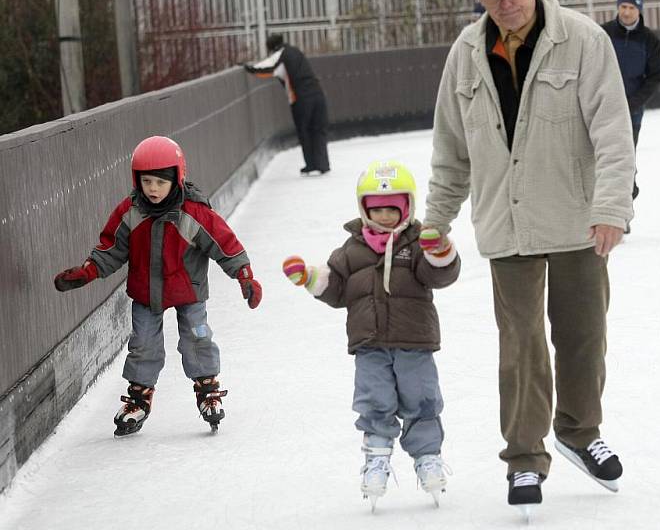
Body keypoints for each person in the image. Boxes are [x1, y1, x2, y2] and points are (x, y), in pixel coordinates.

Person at [423, 0, 635, 512]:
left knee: (583, 336)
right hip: (507, 222)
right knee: (521, 345)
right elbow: (450, 149)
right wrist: (434, 222)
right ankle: (523, 458)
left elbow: (615, 135)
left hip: (575, 217)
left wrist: (612, 209)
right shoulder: (466, 53)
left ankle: (580, 432)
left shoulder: (584, 42)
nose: (503, 3)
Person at [53, 135, 263, 436]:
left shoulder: (193, 212)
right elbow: (111, 247)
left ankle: (207, 389)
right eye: (146, 181)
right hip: (145, 292)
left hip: (188, 290)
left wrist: (244, 275)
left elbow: (224, 244)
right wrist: (88, 271)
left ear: (177, 179)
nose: (152, 189)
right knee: (143, 345)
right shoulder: (131, 211)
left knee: (197, 336)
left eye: (159, 182)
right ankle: (139, 397)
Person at [281, 160, 460, 510]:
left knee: (421, 400)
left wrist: (440, 252)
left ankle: (427, 459)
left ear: (407, 207)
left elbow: (439, 275)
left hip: (414, 342)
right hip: (370, 346)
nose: (386, 217)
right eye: (377, 211)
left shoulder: (417, 242)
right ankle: (376, 460)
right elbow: (335, 289)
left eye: (393, 209)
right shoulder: (351, 251)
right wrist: (309, 278)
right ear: (364, 210)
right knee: (375, 402)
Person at [601, 0, 660, 215]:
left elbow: (654, 77)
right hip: (602, 110)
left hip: (631, 113)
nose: (626, 12)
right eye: (623, 7)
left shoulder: (650, 40)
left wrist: (632, 104)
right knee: (601, 162)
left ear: (639, 9)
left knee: (625, 162)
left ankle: (623, 209)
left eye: (631, 7)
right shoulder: (603, 33)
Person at [244, 34, 331, 176]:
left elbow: (264, 69)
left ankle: (311, 164)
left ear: (271, 48)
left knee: (305, 131)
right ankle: (323, 164)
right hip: (318, 93)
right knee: (319, 130)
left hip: (301, 98)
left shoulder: (280, 56)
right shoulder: (295, 51)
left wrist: (248, 68)